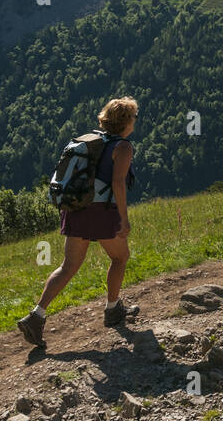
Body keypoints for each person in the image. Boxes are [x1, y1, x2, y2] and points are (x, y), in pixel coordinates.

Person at [17, 97, 140, 348]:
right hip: (102, 211)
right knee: (120, 257)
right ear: (127, 121)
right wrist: (124, 218)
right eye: (134, 116)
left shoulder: (89, 141)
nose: (136, 121)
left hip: (76, 208)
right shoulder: (123, 147)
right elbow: (118, 183)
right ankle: (113, 309)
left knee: (69, 265)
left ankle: (36, 316)